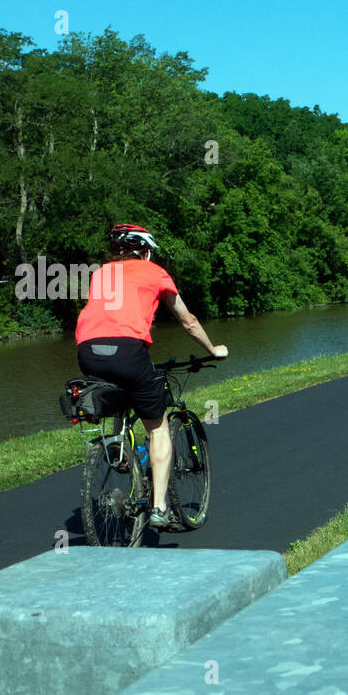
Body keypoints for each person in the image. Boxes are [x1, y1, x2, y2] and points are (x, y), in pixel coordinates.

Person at [75, 224, 228, 529]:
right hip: (129, 351)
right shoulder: (155, 273)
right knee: (158, 429)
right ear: (145, 252)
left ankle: (119, 448)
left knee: (120, 388)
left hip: (87, 351)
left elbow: (106, 315)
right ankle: (159, 508)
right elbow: (188, 321)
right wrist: (212, 349)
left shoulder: (100, 274)